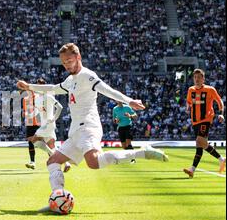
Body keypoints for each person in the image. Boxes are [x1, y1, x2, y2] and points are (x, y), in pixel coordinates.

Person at [16, 43, 168, 191]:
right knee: (52, 161)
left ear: (78, 57)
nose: (67, 65)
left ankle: (142, 152)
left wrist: (129, 101)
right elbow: (53, 88)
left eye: (69, 61)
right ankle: (58, 195)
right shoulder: (70, 80)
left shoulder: (87, 76)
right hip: (75, 132)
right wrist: (29, 86)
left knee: (94, 162)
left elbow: (107, 90)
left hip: (88, 126)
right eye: (64, 63)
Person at [183, 69, 225, 178]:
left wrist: (221, 113)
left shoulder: (210, 89)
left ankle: (220, 159)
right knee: (200, 145)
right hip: (195, 121)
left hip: (206, 119)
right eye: (195, 77)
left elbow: (219, 101)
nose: (197, 79)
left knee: (199, 141)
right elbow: (188, 101)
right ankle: (193, 170)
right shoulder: (190, 90)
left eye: (199, 77)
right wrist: (188, 107)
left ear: (203, 79)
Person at [26, 78, 72, 172]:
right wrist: (29, 115)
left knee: (34, 140)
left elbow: (60, 107)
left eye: (40, 86)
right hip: (45, 125)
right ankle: (66, 163)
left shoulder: (48, 96)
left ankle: (53, 156)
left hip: (48, 124)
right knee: (52, 147)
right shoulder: (38, 99)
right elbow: (38, 112)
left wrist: (54, 118)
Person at [22, 88, 41, 169]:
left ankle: (54, 159)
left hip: (39, 123)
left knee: (47, 142)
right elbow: (24, 111)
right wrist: (24, 114)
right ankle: (32, 162)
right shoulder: (25, 99)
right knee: (30, 143)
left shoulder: (39, 98)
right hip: (29, 123)